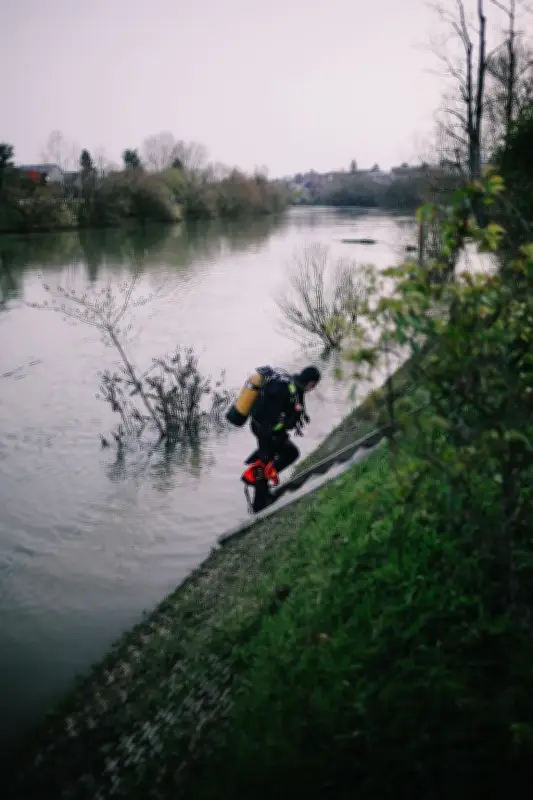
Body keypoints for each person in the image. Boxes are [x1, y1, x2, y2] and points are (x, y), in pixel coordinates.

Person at [241, 365, 321, 512]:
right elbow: (288, 422)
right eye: (314, 385)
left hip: (264, 428)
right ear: (310, 382)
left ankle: (263, 483)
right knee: (267, 462)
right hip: (266, 431)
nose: (313, 388)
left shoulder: (292, 384)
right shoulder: (292, 390)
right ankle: (259, 507)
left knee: (288, 454)